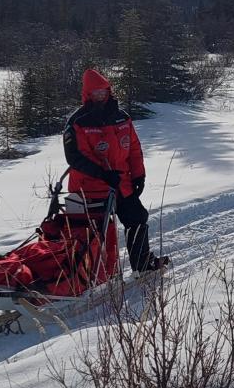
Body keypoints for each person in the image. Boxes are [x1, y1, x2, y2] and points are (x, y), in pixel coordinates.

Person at [63, 68, 168, 274]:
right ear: (88, 94)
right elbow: (75, 158)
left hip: (121, 184)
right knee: (93, 232)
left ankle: (143, 264)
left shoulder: (122, 118)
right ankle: (86, 275)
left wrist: (139, 175)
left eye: (103, 91)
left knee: (137, 218)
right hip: (91, 188)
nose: (100, 96)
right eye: (96, 92)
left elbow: (134, 149)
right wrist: (102, 174)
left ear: (109, 91)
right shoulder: (78, 122)